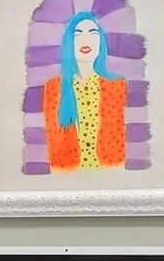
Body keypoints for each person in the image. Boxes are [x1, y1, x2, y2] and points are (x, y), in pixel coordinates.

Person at [41, 12, 130, 171]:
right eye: (78, 34)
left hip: (109, 172)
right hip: (68, 174)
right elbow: (54, 144)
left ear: (100, 43)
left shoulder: (116, 86)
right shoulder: (54, 88)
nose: (86, 40)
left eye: (93, 34)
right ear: (69, 43)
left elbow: (118, 141)